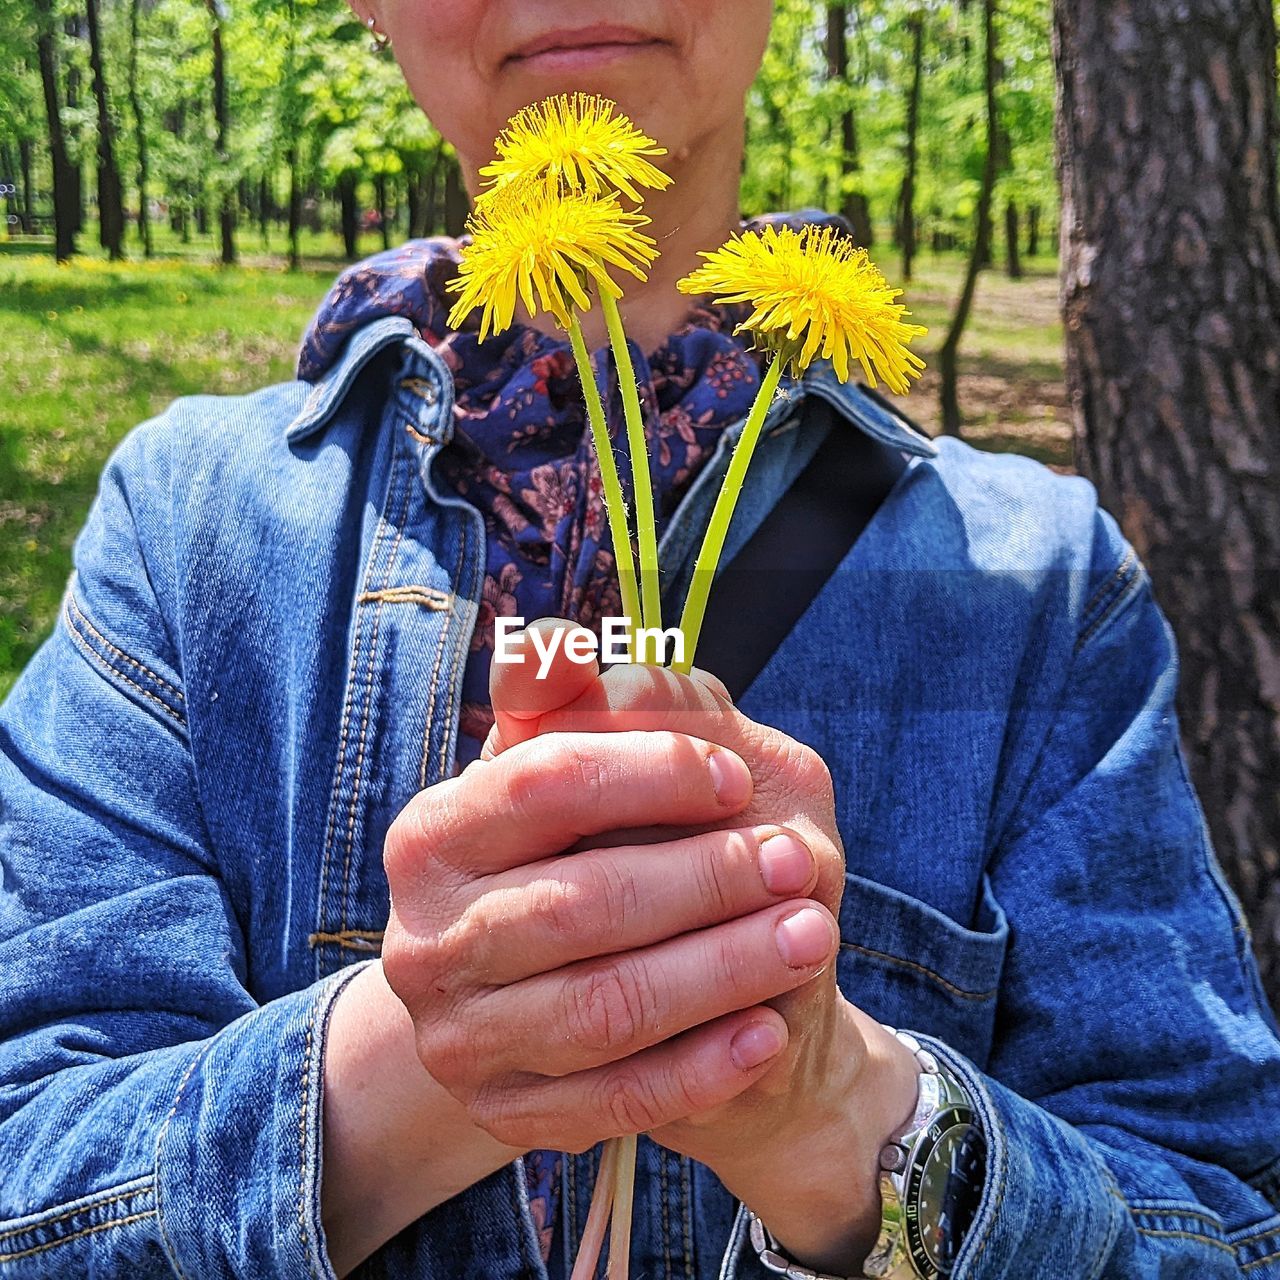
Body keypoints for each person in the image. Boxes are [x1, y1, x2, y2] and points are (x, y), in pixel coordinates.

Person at [2, 3, 1278, 1278]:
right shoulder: (179, 525)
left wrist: (839, 1117)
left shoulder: (1039, 583)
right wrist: (445, 1048)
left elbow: (1225, 1221)